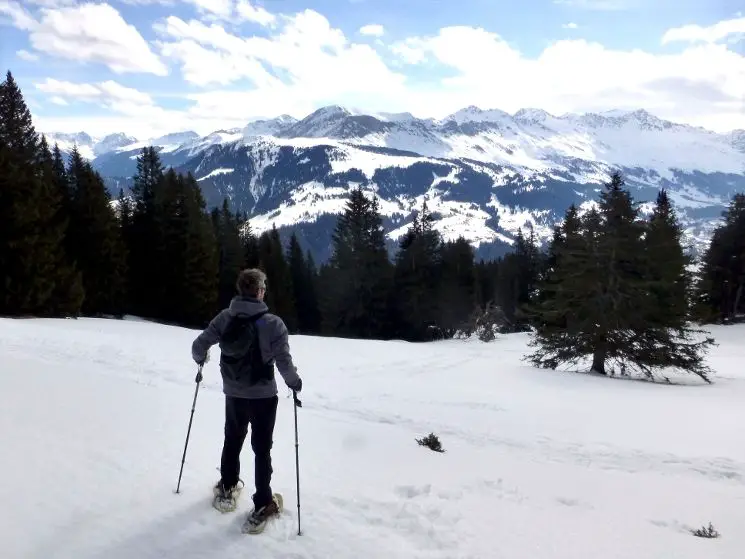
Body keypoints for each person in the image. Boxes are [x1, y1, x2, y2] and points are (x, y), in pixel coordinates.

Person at [191, 268, 302, 529]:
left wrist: (201, 360)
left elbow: (198, 346)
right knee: (261, 448)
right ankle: (263, 502)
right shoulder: (272, 323)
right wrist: (294, 383)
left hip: (234, 392)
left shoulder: (225, 317)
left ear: (241, 290)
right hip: (263, 395)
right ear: (260, 291)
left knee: (233, 438)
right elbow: (284, 362)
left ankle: (228, 486)